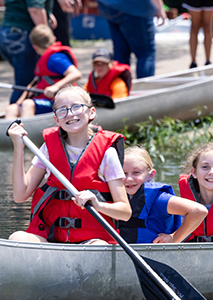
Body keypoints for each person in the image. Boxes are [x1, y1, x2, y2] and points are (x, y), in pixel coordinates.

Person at [7, 85, 131, 245]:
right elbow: (20, 195)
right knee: (17, 238)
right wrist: (18, 147)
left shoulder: (107, 154)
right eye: (62, 110)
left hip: (91, 242)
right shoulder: (48, 149)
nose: (70, 114)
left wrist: (97, 204)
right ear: (56, 119)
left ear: (91, 112)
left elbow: (125, 212)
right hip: (51, 241)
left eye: (76, 107)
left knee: (97, 247)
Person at [119, 146, 208, 244]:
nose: (129, 179)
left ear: (151, 175)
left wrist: (174, 238)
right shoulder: (116, 199)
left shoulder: (159, 200)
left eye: (136, 172)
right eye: (124, 173)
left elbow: (199, 211)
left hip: (155, 256)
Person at [5, 25, 82, 118]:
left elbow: (76, 74)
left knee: (28, 104)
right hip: (44, 101)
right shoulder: (44, 60)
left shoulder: (56, 58)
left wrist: (55, 87)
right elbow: (32, 86)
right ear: (53, 38)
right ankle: (10, 131)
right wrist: (17, 104)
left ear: (34, 46)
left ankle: (25, 131)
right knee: (12, 108)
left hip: (60, 102)